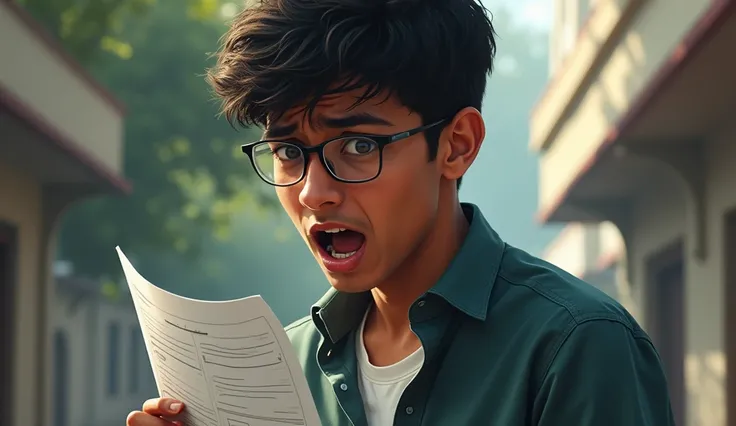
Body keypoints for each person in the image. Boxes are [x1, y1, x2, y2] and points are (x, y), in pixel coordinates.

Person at [126, 0, 676, 425]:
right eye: (289, 151)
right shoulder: (282, 367)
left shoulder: (576, 345)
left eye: (359, 146)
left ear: (456, 144)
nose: (314, 192)